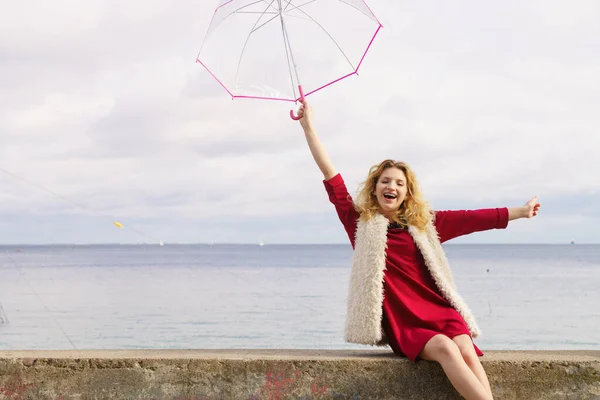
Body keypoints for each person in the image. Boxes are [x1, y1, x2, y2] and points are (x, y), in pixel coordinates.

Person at [296, 101, 540, 400]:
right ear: (375, 188)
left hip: (441, 311)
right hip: (406, 322)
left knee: (463, 345)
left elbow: (473, 218)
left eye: (399, 183)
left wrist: (521, 211)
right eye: (385, 181)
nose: (392, 187)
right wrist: (308, 127)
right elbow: (332, 177)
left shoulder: (425, 225)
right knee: (447, 348)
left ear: (406, 192)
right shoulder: (360, 223)